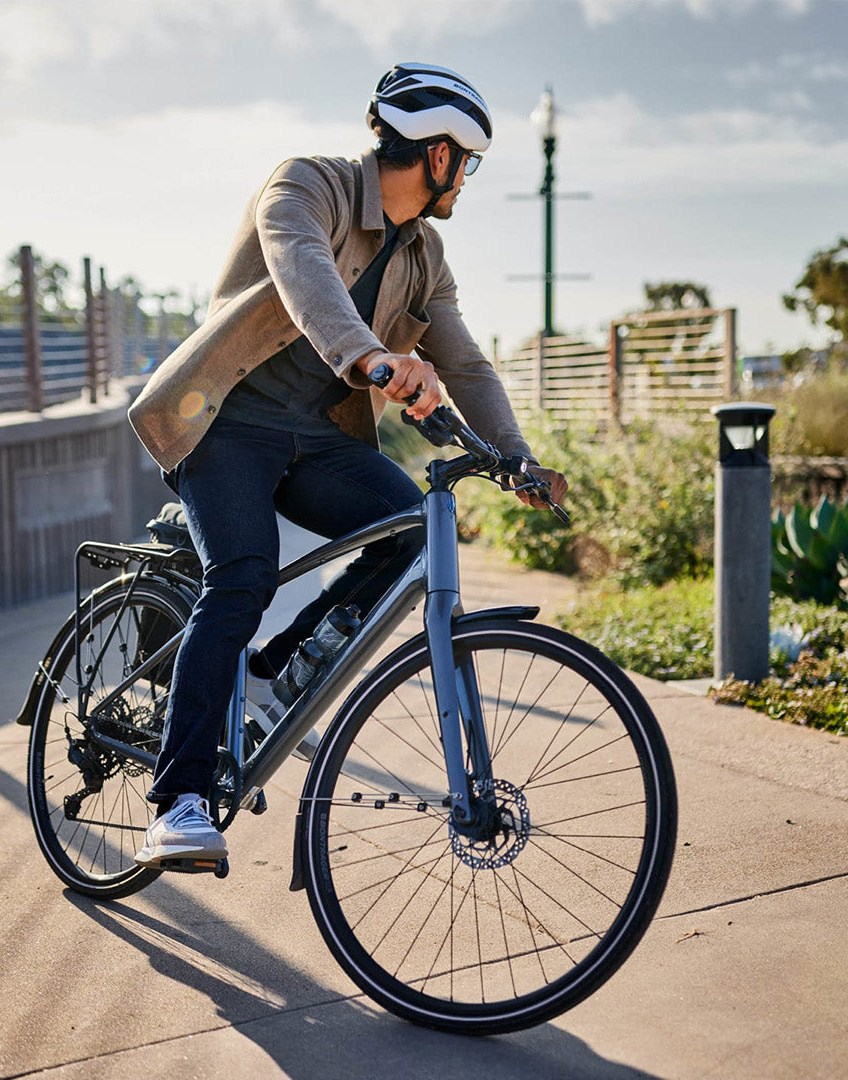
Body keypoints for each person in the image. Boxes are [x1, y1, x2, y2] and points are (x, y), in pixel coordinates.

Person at [127, 62, 567, 866]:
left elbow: (465, 365)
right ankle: (180, 798)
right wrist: (374, 359)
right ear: (438, 156)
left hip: (316, 440)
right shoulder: (307, 186)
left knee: (408, 532)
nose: (465, 182)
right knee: (244, 574)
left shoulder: (423, 254)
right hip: (225, 425)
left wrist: (518, 460)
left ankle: (279, 669)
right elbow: (306, 280)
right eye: (466, 165)